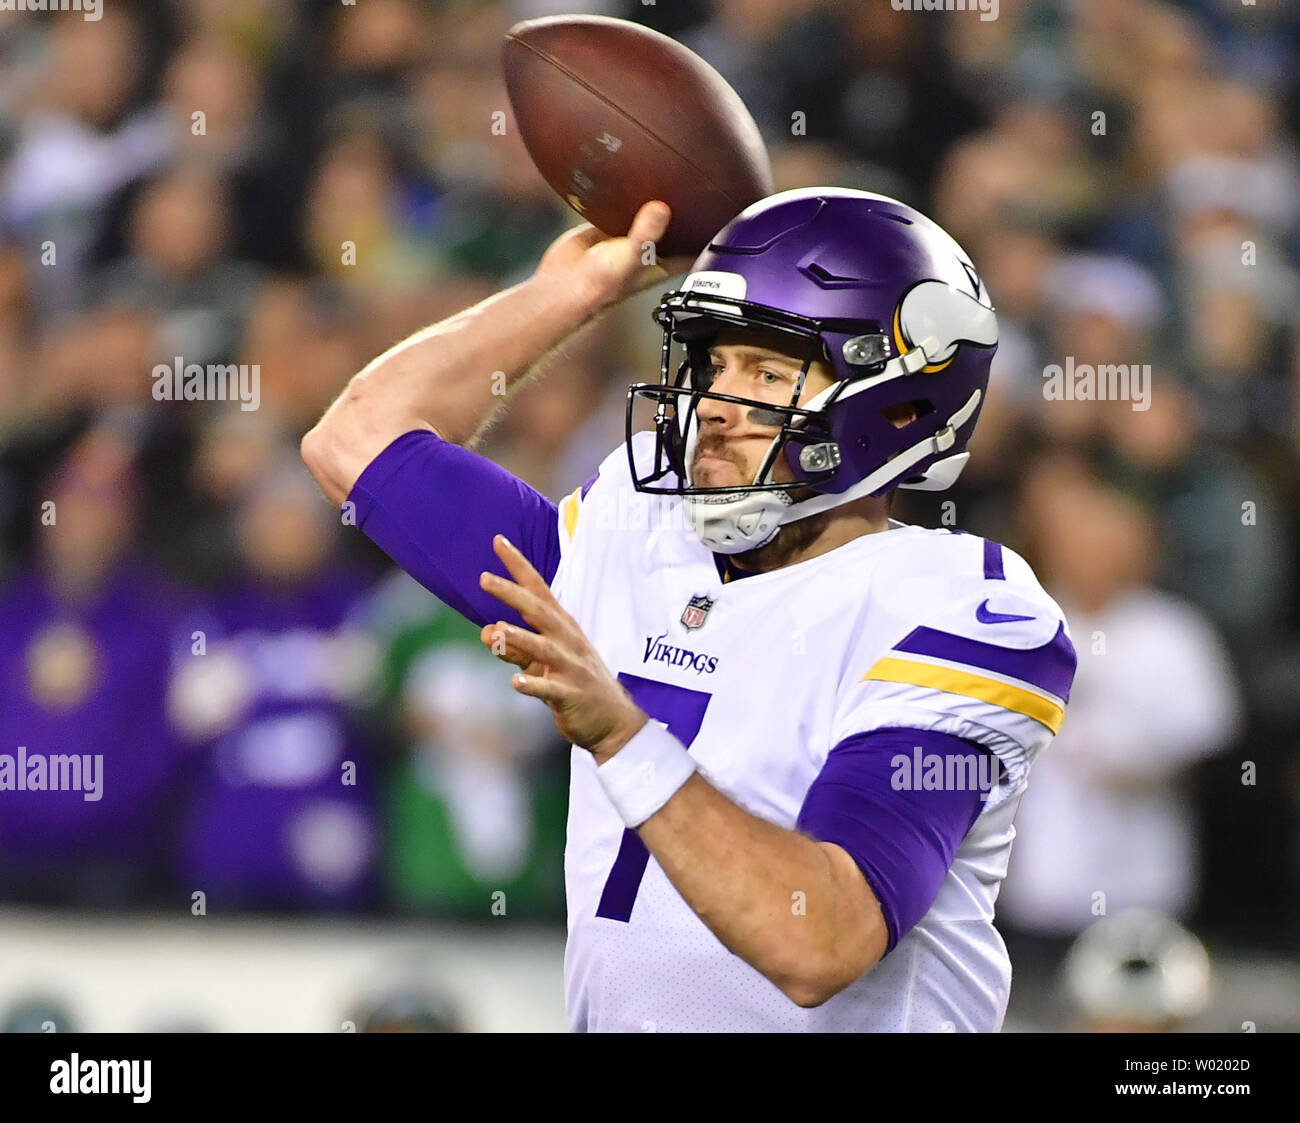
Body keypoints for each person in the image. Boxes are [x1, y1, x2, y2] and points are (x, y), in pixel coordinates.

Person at [301, 188, 1078, 1032]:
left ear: (897, 401)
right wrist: (572, 295)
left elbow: (820, 940)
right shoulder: (637, 527)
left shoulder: (962, 609)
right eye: (711, 364)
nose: (713, 402)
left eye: (769, 370)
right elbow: (357, 439)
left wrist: (623, 738)